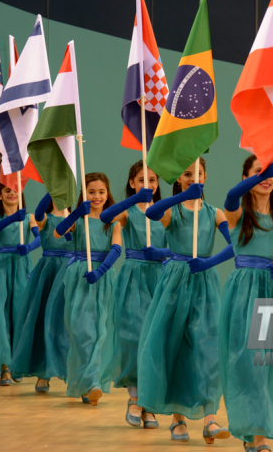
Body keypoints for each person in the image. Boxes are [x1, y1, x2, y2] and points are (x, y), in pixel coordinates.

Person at [139, 157, 234, 444]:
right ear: (179, 179)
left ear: (206, 177)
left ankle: (210, 417)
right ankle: (177, 419)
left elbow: (235, 245)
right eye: (187, 174)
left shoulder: (215, 213)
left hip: (204, 283)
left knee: (207, 348)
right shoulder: (174, 212)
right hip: (175, 283)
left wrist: (209, 263)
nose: (194, 178)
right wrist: (182, 196)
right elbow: (152, 212)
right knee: (173, 346)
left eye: (199, 174)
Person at [219, 155, 273, 452]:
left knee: (266, 363)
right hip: (244, 289)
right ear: (248, 176)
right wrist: (261, 175)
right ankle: (255, 435)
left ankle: (256, 434)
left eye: (270, 173)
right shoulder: (237, 214)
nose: (267, 177)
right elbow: (232, 195)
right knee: (246, 362)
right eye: (259, 172)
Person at [99, 161, 168, 428]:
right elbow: (106, 217)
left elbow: (180, 248)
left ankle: (149, 404)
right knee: (134, 337)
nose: (148, 184)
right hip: (134, 278)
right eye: (141, 180)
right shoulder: (128, 212)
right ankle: (135, 397)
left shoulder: (165, 212)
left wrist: (162, 253)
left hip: (162, 278)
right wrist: (133, 201)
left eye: (152, 180)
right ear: (132, 183)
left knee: (156, 341)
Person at [55, 172, 122, 406]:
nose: (96, 196)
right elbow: (58, 232)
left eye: (101, 192)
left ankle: (92, 383)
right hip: (79, 276)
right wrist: (75, 213)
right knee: (82, 332)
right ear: (85, 194)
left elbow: (116, 249)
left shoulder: (112, 221)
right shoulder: (80, 218)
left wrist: (101, 271)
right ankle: (86, 383)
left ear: (107, 194)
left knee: (100, 332)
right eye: (91, 192)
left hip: (102, 276)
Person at [11, 193, 75, 392]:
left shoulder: (76, 220)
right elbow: (39, 212)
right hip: (48, 273)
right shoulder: (44, 218)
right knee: (43, 322)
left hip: (70, 271)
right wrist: (51, 191)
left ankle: (74, 375)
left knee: (69, 325)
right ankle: (43, 373)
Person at [0, 182, 40, 385]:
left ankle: (18, 364)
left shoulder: (29, 217)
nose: (12, 193)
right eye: (7, 190)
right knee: (0, 315)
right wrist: (13, 218)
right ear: (0, 195)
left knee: (20, 314)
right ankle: (4, 367)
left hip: (21, 266)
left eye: (15, 190)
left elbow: (40, 239)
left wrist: (29, 247)